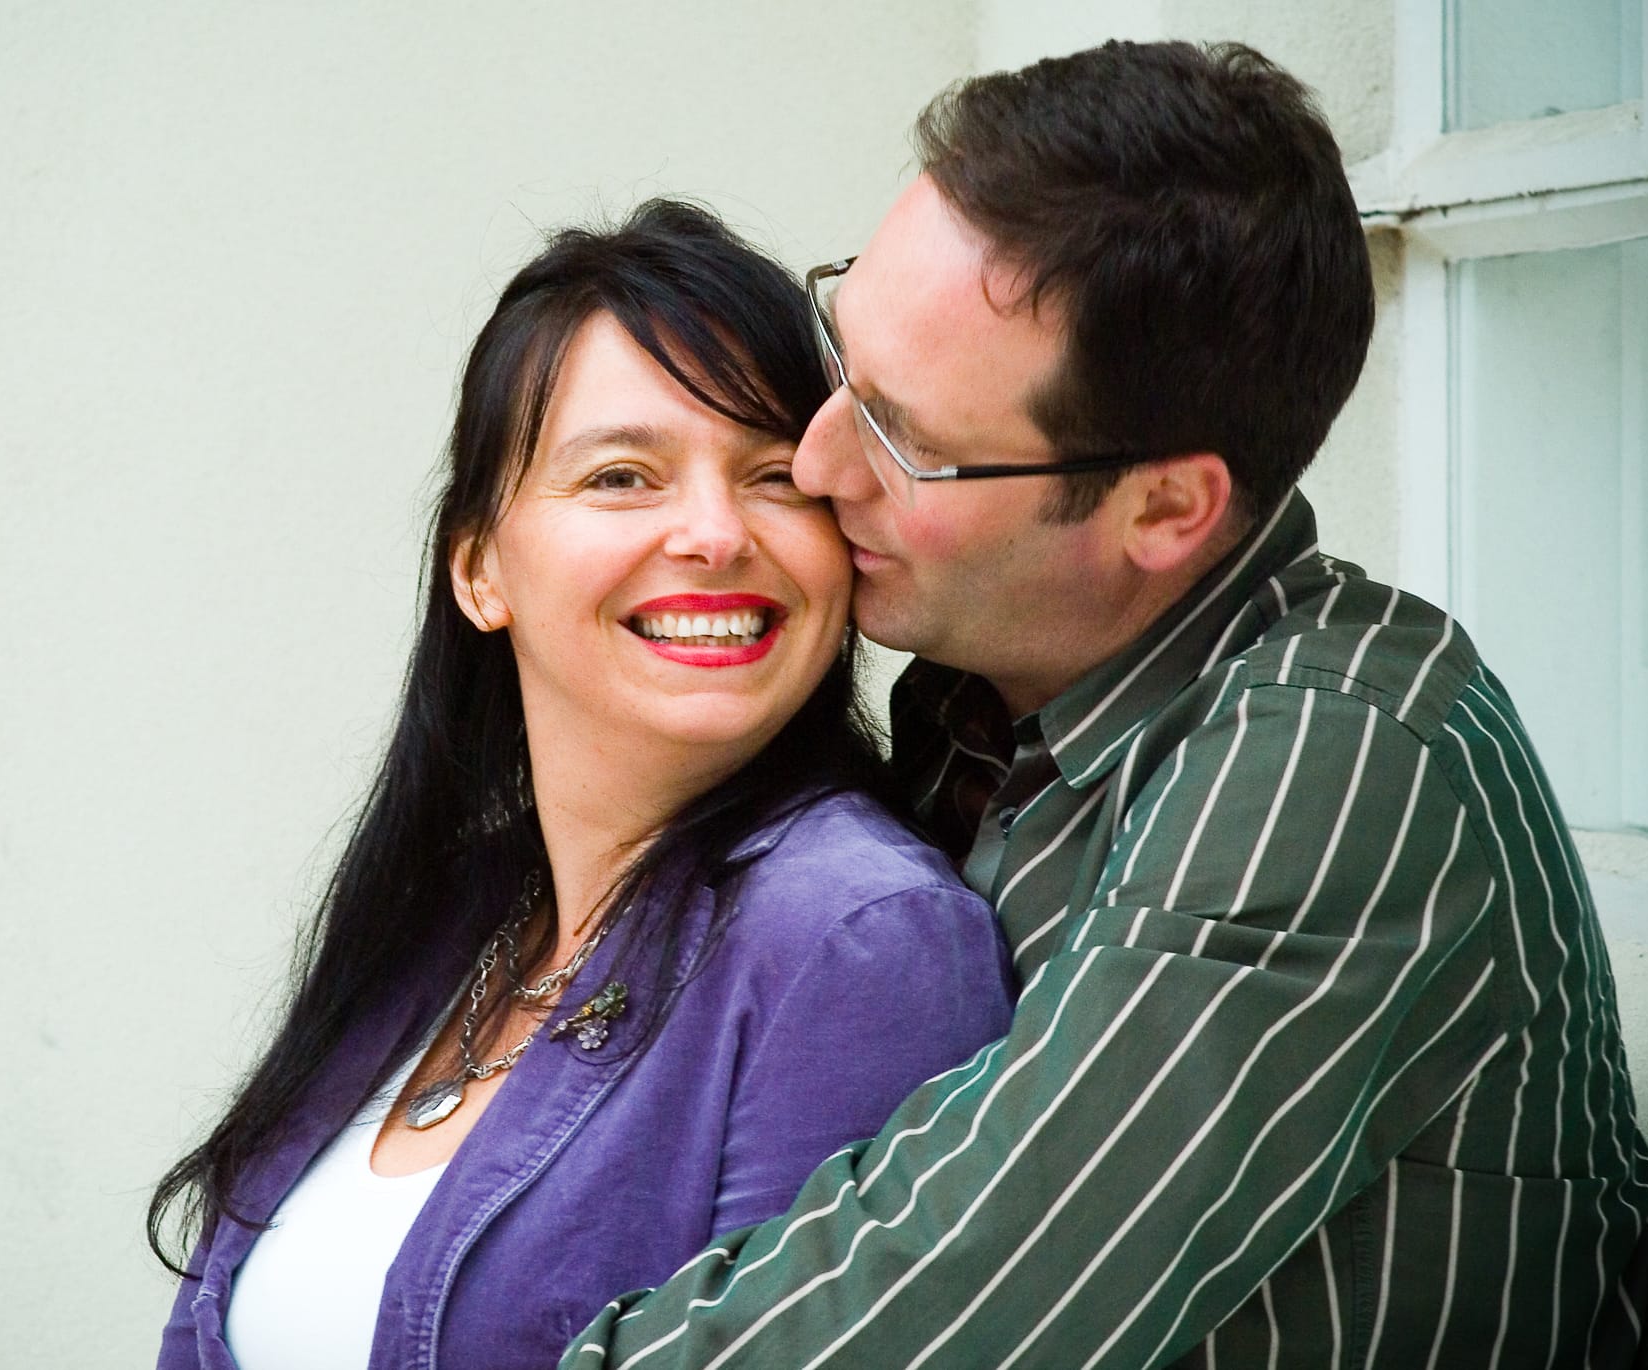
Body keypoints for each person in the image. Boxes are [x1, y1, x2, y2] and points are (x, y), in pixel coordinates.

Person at [563, 42, 1648, 1369]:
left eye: (905, 438)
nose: (816, 459)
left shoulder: (1336, 765)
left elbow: (954, 1295)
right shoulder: (974, 702)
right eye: (841, 356)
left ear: (1166, 508)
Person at [147, 200, 1013, 1370]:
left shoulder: (856, 939)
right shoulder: (447, 909)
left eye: (773, 475)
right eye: (621, 475)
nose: (714, 533)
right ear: (478, 567)